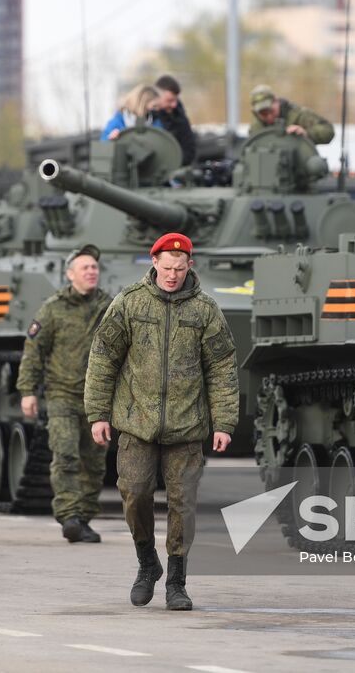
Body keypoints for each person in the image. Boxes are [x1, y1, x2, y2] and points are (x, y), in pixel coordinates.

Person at [84, 233, 238, 612]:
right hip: (137, 423)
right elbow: (103, 358)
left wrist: (224, 422)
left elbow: (222, 368)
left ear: (190, 267)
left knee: (182, 505)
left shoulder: (205, 310)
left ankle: (176, 582)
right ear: (154, 263)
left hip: (186, 428)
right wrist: (98, 413)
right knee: (134, 494)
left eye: (179, 268)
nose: (172, 275)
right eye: (166, 268)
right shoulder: (129, 304)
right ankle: (147, 563)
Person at [16, 244, 113, 544]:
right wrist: (27, 391)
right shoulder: (53, 308)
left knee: (94, 462)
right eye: (85, 268)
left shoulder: (109, 306)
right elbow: (34, 351)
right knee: (66, 454)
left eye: (95, 267)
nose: (91, 271)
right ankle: (70, 517)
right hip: (62, 395)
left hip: (98, 399)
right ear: (71, 274)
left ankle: (83, 517)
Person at [249, 84, 335, 144]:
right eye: (263, 113)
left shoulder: (299, 115)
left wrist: (306, 133)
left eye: (271, 111)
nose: (269, 116)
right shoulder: (256, 128)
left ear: (276, 101)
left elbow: (328, 131)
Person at [148, 74, 197, 166]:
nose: (174, 105)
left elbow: (189, 151)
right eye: (169, 101)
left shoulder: (180, 119)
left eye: (176, 100)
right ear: (156, 97)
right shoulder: (145, 116)